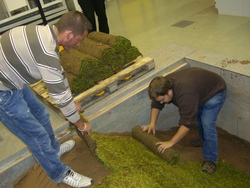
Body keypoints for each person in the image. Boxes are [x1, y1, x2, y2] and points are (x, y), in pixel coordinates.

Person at [0, 11, 93, 187]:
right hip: (3, 94)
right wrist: (80, 125)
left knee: (41, 114)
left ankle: (54, 150)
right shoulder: (46, 52)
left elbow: (59, 75)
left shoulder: (44, 34)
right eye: (79, 40)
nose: (79, 44)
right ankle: (60, 173)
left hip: (12, 79)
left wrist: (71, 101)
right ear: (69, 34)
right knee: (37, 137)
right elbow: (61, 100)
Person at [142, 67, 227, 174]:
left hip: (215, 92)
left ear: (169, 92)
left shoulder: (185, 94)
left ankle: (211, 160)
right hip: (199, 91)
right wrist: (152, 123)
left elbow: (187, 123)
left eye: (163, 99)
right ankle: (205, 141)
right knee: (199, 119)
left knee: (207, 123)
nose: (162, 102)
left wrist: (170, 142)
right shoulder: (163, 85)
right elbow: (156, 103)